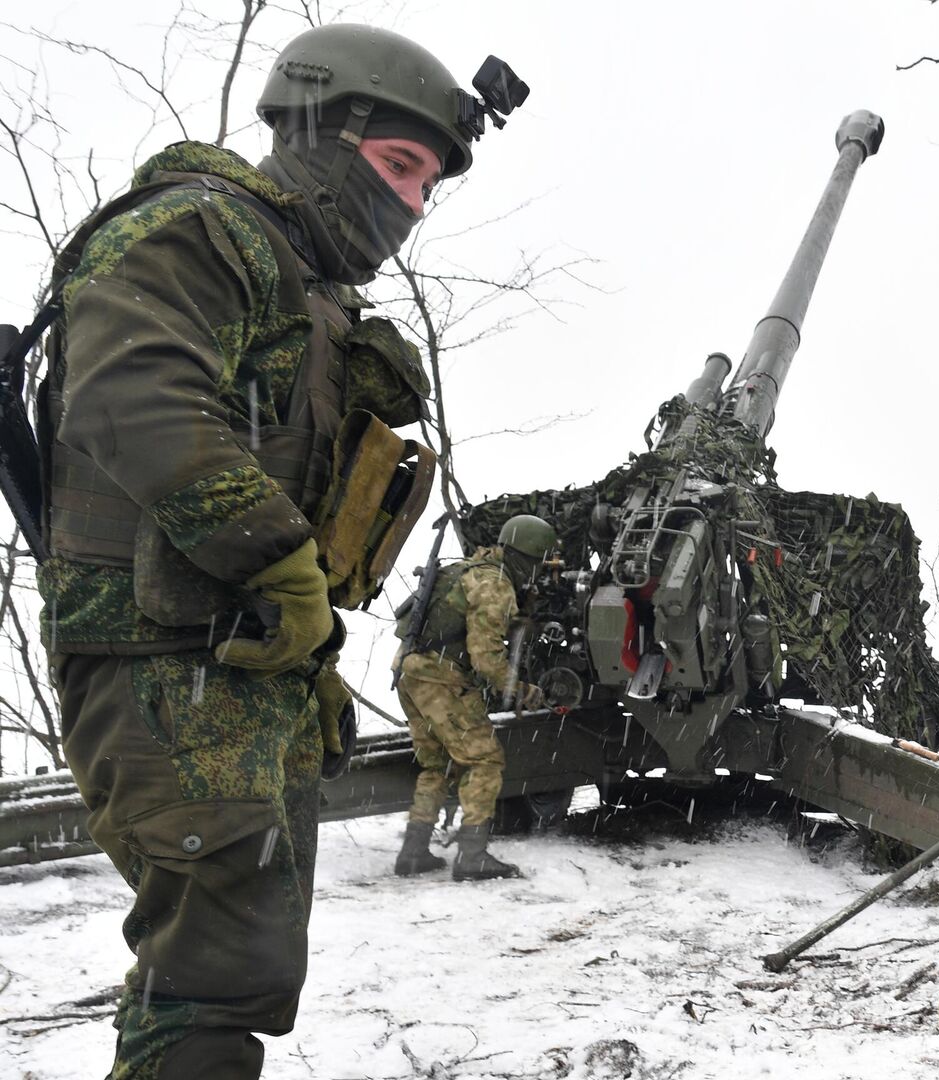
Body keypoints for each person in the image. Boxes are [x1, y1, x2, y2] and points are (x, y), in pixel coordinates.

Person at [36, 23, 515, 1079]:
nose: (410, 206)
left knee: (231, 979)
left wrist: (306, 663)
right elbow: (136, 395)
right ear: (320, 133)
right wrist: (281, 571)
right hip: (165, 663)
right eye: (398, 167)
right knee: (211, 977)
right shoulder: (200, 229)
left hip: (230, 669)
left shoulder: (304, 286)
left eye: (427, 184)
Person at [391, 513, 553, 881]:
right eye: (538, 562)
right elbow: (484, 657)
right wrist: (520, 689)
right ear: (528, 556)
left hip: (409, 673)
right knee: (483, 761)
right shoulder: (494, 584)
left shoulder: (467, 569)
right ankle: (472, 855)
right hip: (440, 680)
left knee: (438, 765)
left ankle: (413, 853)